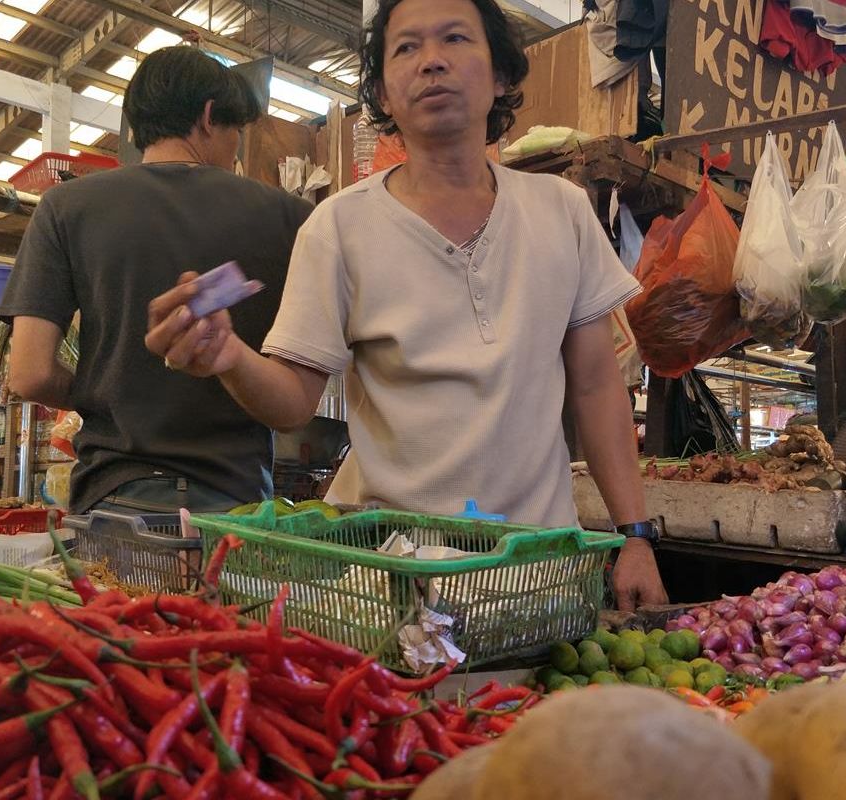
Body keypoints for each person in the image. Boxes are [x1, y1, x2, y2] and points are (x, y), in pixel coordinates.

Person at [145, 0, 668, 608]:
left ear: (500, 74)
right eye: (407, 48)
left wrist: (635, 536)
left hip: (537, 570)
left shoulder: (564, 211)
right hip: (392, 575)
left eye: (454, 39)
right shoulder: (338, 226)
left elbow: (597, 385)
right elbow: (292, 401)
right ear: (382, 94)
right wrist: (229, 356)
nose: (432, 63)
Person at [1, 46, 312, 514]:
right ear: (210, 116)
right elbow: (298, 395)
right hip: (238, 502)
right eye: (237, 135)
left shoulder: (65, 208)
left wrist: (105, 391)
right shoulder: (291, 216)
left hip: (113, 494)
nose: (236, 151)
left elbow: (28, 373)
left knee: (106, 591)